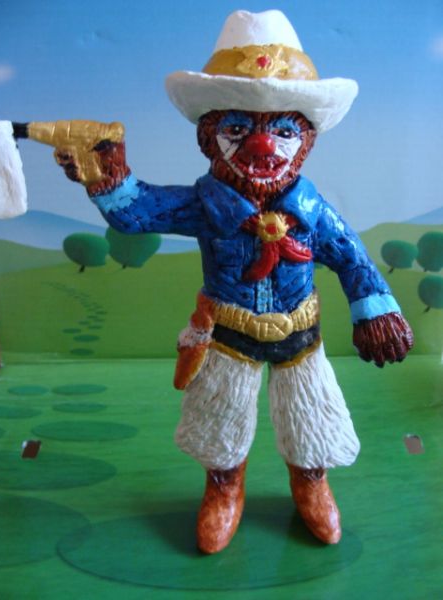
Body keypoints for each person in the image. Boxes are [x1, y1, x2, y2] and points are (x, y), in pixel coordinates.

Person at [52, 10, 413, 553]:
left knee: (312, 419)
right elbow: (138, 213)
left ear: (306, 140)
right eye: (238, 129)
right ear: (209, 137)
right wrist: (109, 180)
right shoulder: (206, 205)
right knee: (219, 423)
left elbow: (350, 255)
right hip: (228, 333)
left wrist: (375, 308)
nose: (263, 147)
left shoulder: (312, 213)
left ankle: (311, 481)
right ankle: (224, 488)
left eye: (283, 131)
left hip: (299, 333)